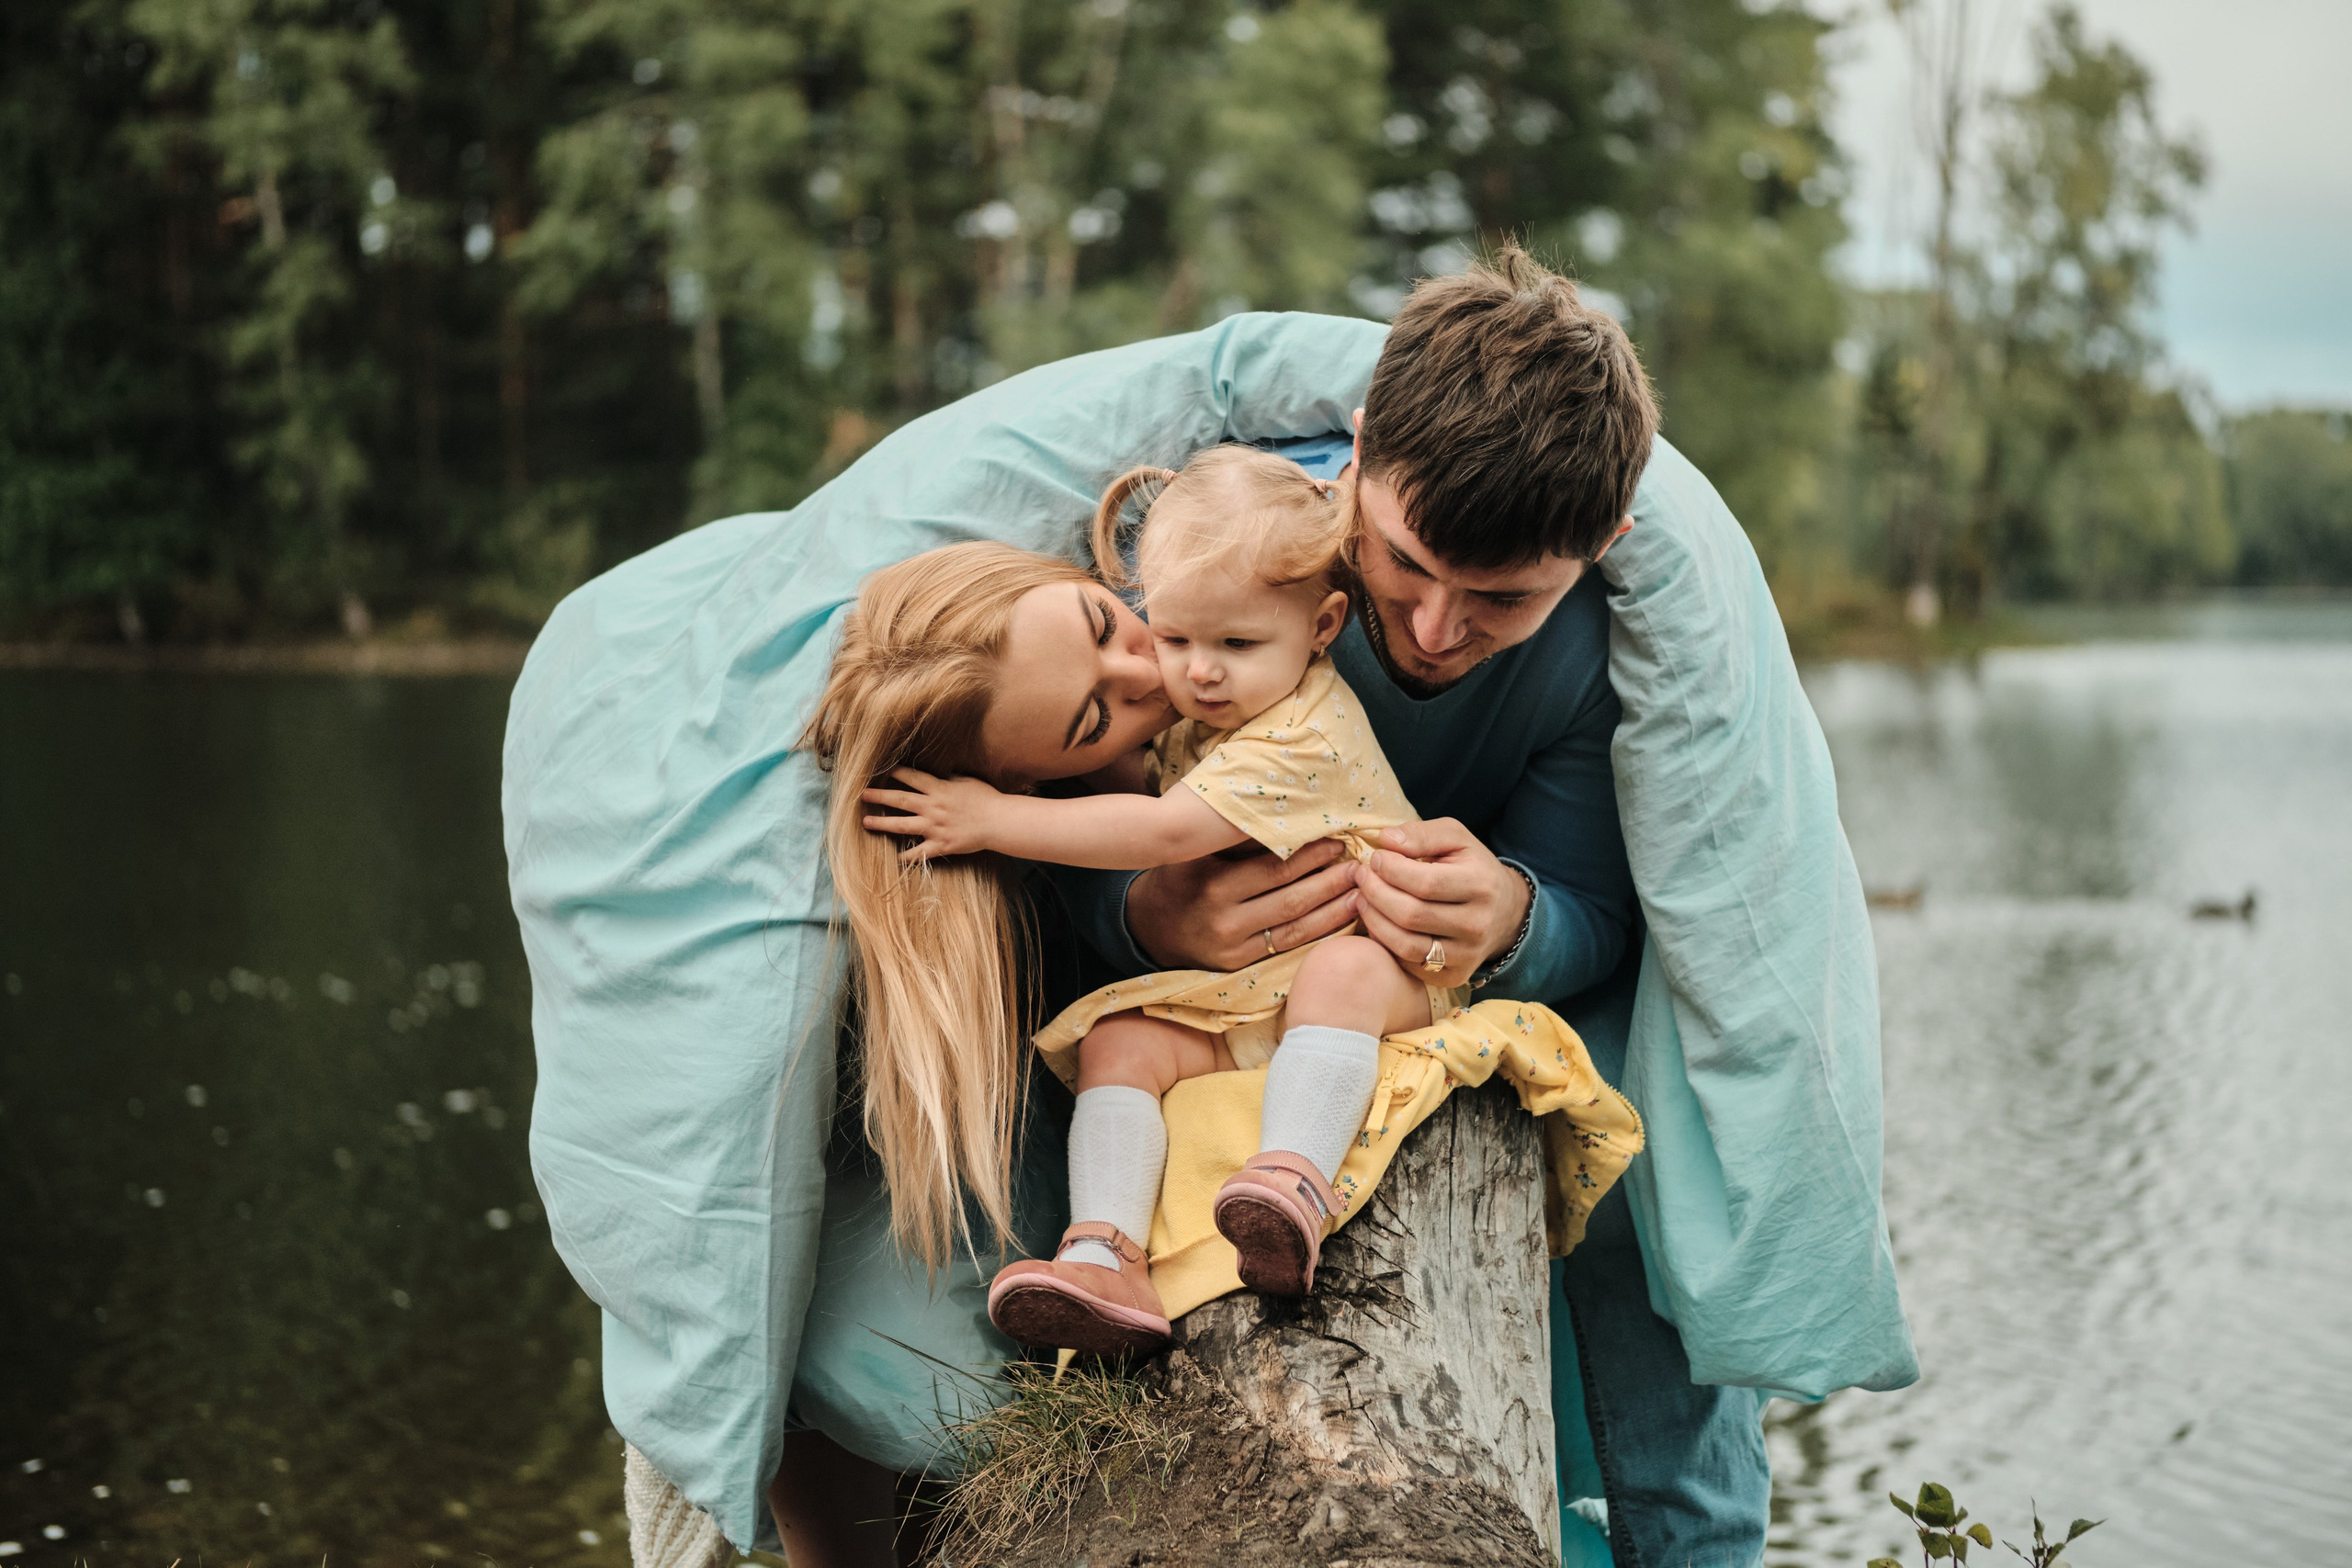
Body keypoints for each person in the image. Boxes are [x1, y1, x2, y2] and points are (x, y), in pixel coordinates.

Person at [505, 250, 1916, 1568]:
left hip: (1413, 1001)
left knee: (1666, 1354)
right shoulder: (1230, 558)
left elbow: (1622, 917)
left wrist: (1514, 915)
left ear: (1598, 543)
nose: (1431, 631)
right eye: (1405, 568)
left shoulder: (1603, 658)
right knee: (903, 1354)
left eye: (1497, 601)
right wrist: (1150, 919)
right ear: (1357, 462)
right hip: (1179, 1024)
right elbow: (1051, 848)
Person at [841, 445, 1614, 1356]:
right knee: (1118, 1041)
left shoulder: (1297, 728)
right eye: (1170, 639)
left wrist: (991, 818)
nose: (1179, 677)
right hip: (1253, 998)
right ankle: (1103, 1254)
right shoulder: (1210, 693)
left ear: (1323, 627)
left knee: (1343, 971)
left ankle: (1291, 1184)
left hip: (1392, 970)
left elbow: (1166, 832)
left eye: (1109, 625)